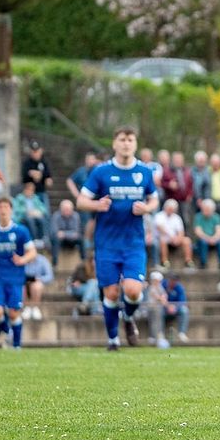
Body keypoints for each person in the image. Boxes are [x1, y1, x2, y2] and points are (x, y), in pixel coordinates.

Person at [77, 126, 159, 351]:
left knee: (133, 290)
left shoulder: (144, 172)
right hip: (106, 244)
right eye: (122, 139)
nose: (126, 143)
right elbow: (81, 201)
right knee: (111, 293)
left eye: (130, 139)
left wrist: (147, 208)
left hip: (133, 243)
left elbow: (155, 200)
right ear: (114, 143)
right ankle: (113, 339)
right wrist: (96, 204)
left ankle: (129, 318)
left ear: (135, 144)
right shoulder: (101, 172)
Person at [0, 196, 37, 349]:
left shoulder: (20, 231)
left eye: (6, 207)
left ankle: (17, 345)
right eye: (0, 208)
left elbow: (32, 252)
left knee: (13, 313)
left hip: (15, 277)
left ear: (11, 210)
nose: (3, 210)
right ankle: (7, 331)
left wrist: (22, 259)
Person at [66, 152, 99, 247]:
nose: (90, 161)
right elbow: (69, 180)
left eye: (92, 159)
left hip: (96, 201)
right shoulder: (81, 171)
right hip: (84, 201)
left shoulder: (97, 170)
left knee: (93, 221)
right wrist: (76, 194)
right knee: (86, 221)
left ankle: (90, 240)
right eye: (88, 159)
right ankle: (85, 242)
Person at [154, 198, 194, 269]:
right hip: (163, 238)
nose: (171, 210)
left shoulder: (177, 218)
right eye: (170, 208)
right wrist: (172, 237)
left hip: (175, 239)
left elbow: (181, 232)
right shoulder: (159, 216)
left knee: (187, 240)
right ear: (165, 207)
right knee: (163, 239)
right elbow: (161, 229)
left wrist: (178, 239)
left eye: (173, 209)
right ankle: (165, 262)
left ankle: (188, 261)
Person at [162, 152, 193, 228]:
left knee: (185, 220)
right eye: (176, 159)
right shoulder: (167, 171)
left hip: (185, 200)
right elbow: (162, 183)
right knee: (173, 220)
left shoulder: (187, 170)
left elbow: (191, 184)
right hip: (172, 200)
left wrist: (190, 194)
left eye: (180, 159)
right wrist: (169, 185)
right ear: (173, 160)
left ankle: (185, 237)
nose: (178, 161)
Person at [50, 199, 84, 267]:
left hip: (71, 241)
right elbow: (54, 232)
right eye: (65, 209)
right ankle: (54, 264)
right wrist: (70, 234)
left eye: (69, 209)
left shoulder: (76, 215)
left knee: (81, 239)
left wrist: (63, 234)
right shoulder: (56, 216)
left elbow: (76, 232)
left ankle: (84, 261)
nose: (67, 211)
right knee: (55, 239)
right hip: (60, 241)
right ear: (61, 209)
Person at [21, 141, 53, 214]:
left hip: (42, 191)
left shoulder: (44, 162)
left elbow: (48, 176)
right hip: (30, 195)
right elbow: (24, 177)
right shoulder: (27, 163)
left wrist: (44, 177)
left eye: (37, 151)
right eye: (33, 151)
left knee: (46, 213)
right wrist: (31, 174)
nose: (35, 153)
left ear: (40, 151)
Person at [193, 198, 220, 269]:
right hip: (203, 239)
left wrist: (214, 238)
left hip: (214, 239)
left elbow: (219, 230)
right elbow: (198, 231)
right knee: (203, 243)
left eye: (207, 209)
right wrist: (208, 238)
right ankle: (203, 263)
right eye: (204, 209)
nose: (205, 211)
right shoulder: (198, 217)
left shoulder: (216, 217)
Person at [23, 251, 54, 320]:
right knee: (21, 285)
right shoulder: (21, 259)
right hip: (24, 284)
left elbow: (50, 276)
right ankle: (27, 308)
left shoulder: (42, 260)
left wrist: (38, 279)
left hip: (38, 283)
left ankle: (34, 307)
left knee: (37, 286)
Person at [144, 270, 171, 349]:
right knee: (155, 322)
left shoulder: (160, 287)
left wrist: (165, 301)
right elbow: (158, 298)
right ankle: (156, 337)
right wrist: (167, 304)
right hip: (152, 308)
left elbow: (164, 296)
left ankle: (158, 336)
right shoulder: (151, 288)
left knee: (158, 322)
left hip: (159, 308)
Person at [163, 272, 190, 343]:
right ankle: (159, 334)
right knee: (157, 311)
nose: (172, 282)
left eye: (174, 280)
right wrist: (167, 307)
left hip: (174, 309)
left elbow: (182, 302)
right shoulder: (162, 285)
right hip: (163, 308)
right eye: (171, 280)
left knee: (184, 310)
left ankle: (182, 333)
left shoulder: (179, 288)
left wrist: (175, 308)